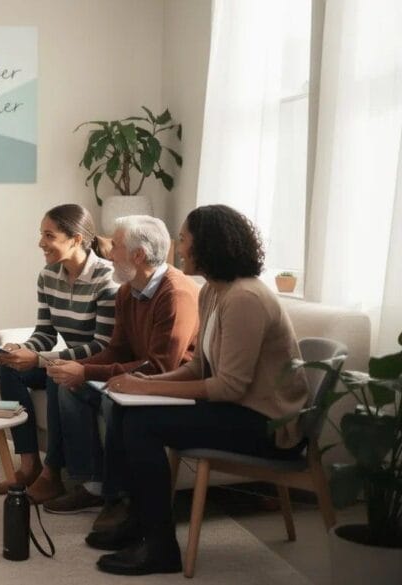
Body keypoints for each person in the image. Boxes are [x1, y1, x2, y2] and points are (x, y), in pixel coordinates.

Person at [91, 205, 308, 576]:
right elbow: (197, 367)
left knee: (142, 424)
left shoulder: (245, 298)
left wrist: (145, 391)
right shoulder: (211, 292)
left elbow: (228, 386)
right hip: (242, 409)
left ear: (208, 245)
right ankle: (141, 521)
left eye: (185, 239)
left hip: (269, 426)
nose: (179, 247)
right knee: (126, 408)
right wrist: (145, 385)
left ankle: (160, 547)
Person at [41, 216, 198, 530]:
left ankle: (118, 496)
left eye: (116, 245)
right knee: (67, 386)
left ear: (138, 256)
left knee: (115, 402)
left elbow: (161, 366)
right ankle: (92, 486)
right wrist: (81, 371)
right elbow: (118, 350)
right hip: (136, 376)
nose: (108, 252)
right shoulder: (128, 290)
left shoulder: (175, 294)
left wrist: (87, 371)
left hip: (168, 385)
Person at [0, 204, 118, 501]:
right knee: (8, 368)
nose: (41, 243)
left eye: (49, 235)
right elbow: (46, 333)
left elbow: (103, 345)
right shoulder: (48, 276)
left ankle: (53, 474)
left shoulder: (106, 279)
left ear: (75, 239)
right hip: (67, 357)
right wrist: (23, 350)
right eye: (41, 235)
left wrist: (40, 360)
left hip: (95, 363)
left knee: (55, 375)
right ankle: (29, 464)